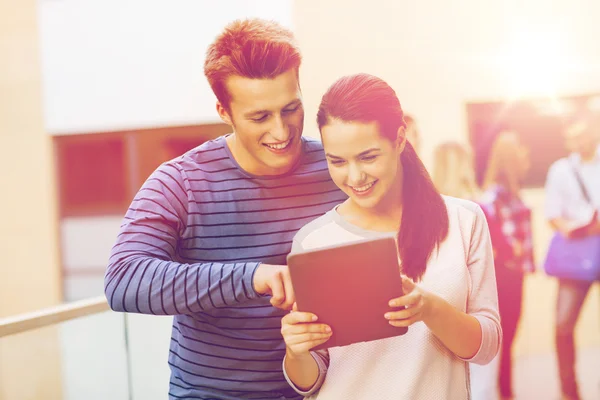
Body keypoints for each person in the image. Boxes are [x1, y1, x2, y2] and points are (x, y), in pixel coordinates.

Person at [103, 19, 346, 400]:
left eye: (291, 109)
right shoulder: (180, 182)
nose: (281, 132)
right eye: (259, 117)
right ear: (223, 110)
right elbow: (124, 280)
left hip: (327, 391)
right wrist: (251, 278)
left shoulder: (338, 169)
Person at [280, 73, 501, 399]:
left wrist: (428, 309)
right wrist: (296, 352)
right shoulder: (313, 241)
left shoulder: (463, 221)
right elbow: (311, 379)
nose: (354, 177)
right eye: (337, 161)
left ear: (399, 140)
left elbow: (486, 347)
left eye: (368, 157)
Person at [544, 114, 600, 400]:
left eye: (582, 133)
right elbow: (552, 215)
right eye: (572, 136)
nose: (577, 141)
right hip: (577, 254)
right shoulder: (561, 170)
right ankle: (569, 392)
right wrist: (575, 230)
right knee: (563, 325)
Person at [477, 130, 534, 400]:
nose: (527, 155)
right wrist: (514, 249)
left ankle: (506, 394)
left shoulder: (511, 193)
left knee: (507, 342)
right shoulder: (495, 196)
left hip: (513, 275)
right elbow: (500, 243)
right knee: (503, 341)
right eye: (522, 150)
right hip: (505, 278)